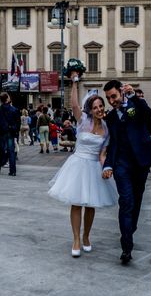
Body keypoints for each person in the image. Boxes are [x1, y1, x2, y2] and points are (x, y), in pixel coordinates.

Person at [49, 72, 117, 257]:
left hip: (94, 166)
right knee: (76, 203)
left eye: (101, 106)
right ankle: (76, 239)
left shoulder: (106, 128)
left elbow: (103, 153)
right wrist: (74, 82)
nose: (99, 109)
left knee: (91, 204)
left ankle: (86, 236)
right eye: (95, 107)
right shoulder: (83, 121)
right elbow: (73, 104)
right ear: (90, 109)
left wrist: (106, 168)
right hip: (78, 165)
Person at [102, 80, 151, 264]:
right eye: (108, 98)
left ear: (121, 92)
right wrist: (108, 165)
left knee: (136, 201)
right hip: (122, 165)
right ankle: (126, 246)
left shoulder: (136, 105)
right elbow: (111, 144)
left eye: (114, 96)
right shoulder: (110, 118)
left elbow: (149, 116)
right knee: (126, 201)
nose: (111, 101)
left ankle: (130, 228)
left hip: (140, 162)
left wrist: (134, 96)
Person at [0, 93, 20, 176]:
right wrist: (16, 132)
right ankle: (13, 171)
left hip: (1, 133)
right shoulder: (14, 110)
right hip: (11, 132)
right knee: (11, 151)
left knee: (1, 150)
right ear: (7, 99)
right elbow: (17, 123)